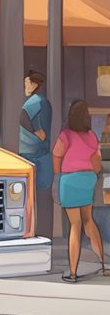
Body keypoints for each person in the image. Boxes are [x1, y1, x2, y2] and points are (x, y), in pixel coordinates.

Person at [54, 100, 106, 282]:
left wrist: (59, 174)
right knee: (88, 220)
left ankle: (74, 272)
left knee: (75, 225)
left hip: (70, 180)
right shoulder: (92, 136)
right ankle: (102, 264)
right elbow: (97, 161)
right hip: (87, 180)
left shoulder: (65, 135)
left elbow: (56, 155)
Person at [20, 70, 54, 233]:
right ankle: (44, 233)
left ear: (35, 84)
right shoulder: (41, 102)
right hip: (40, 154)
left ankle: (31, 231)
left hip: (31, 154)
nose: (25, 85)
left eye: (27, 82)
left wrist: (36, 132)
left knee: (28, 198)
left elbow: (24, 118)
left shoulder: (35, 102)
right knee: (43, 197)